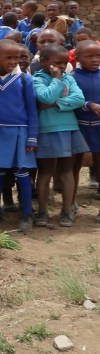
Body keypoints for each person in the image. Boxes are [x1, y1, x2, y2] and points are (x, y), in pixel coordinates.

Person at [0, 40, 38, 232]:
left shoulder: (25, 80)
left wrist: (32, 136)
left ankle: (27, 213)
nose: (14, 61)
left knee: (23, 173)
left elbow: (32, 111)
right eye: (9, 57)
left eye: (18, 57)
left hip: (20, 132)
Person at [33, 44, 87, 228]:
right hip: (47, 130)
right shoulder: (38, 79)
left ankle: (67, 210)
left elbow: (79, 99)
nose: (62, 66)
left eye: (65, 62)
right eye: (58, 63)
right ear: (43, 62)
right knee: (45, 172)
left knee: (67, 171)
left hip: (69, 129)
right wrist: (56, 82)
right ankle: (42, 212)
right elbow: (44, 98)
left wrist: (56, 104)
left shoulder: (68, 79)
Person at [72, 40, 100, 222]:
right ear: (78, 58)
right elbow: (69, 99)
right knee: (73, 166)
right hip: (79, 126)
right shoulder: (73, 77)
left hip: (99, 126)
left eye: (98, 56)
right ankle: (70, 202)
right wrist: (88, 105)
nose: (94, 59)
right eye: (89, 56)